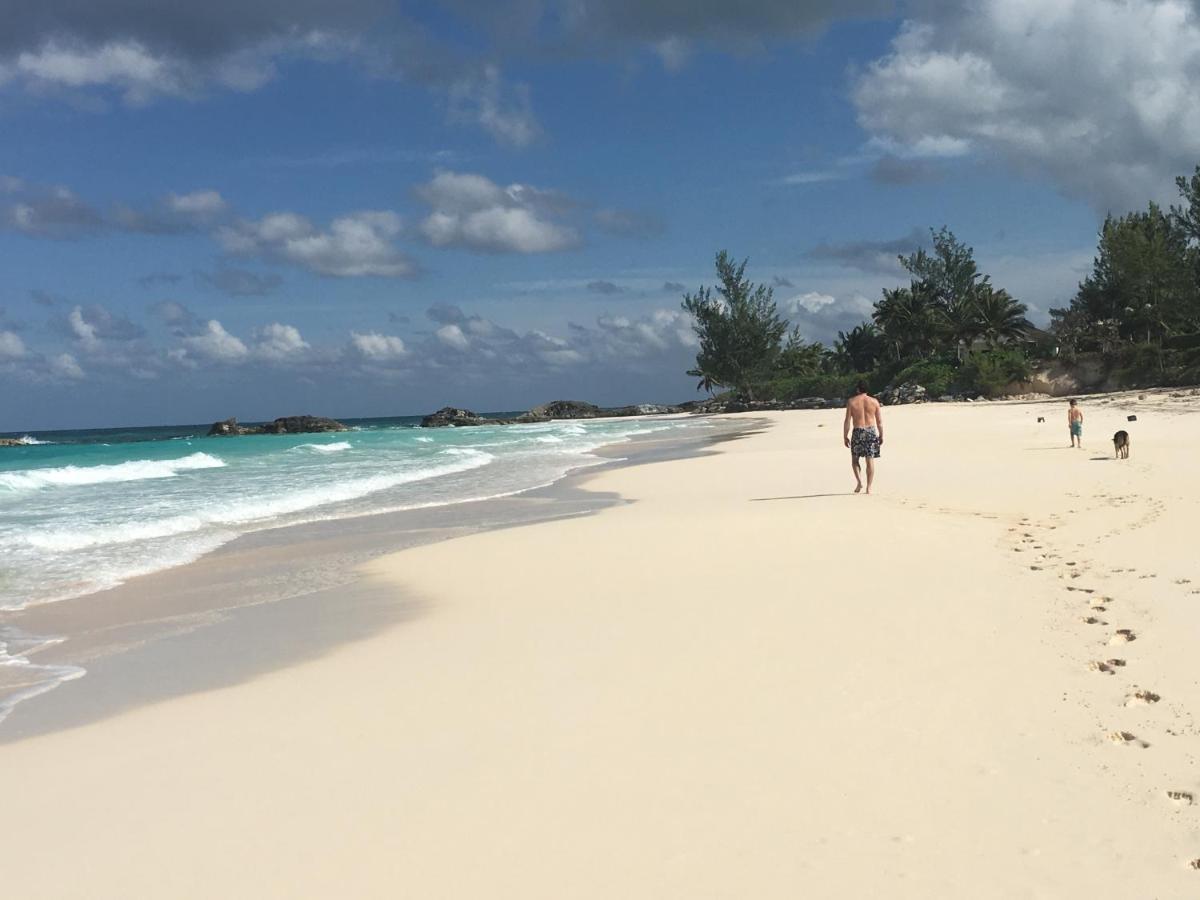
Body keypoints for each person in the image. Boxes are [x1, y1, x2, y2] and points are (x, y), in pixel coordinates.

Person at [843, 381, 883, 494]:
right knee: (869, 460)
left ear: (857, 390)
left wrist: (845, 436)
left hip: (858, 432)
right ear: (867, 390)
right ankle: (869, 487)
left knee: (855, 460)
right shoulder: (874, 401)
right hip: (871, 431)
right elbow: (879, 422)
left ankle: (860, 482)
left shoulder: (851, 402)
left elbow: (847, 421)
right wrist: (881, 435)